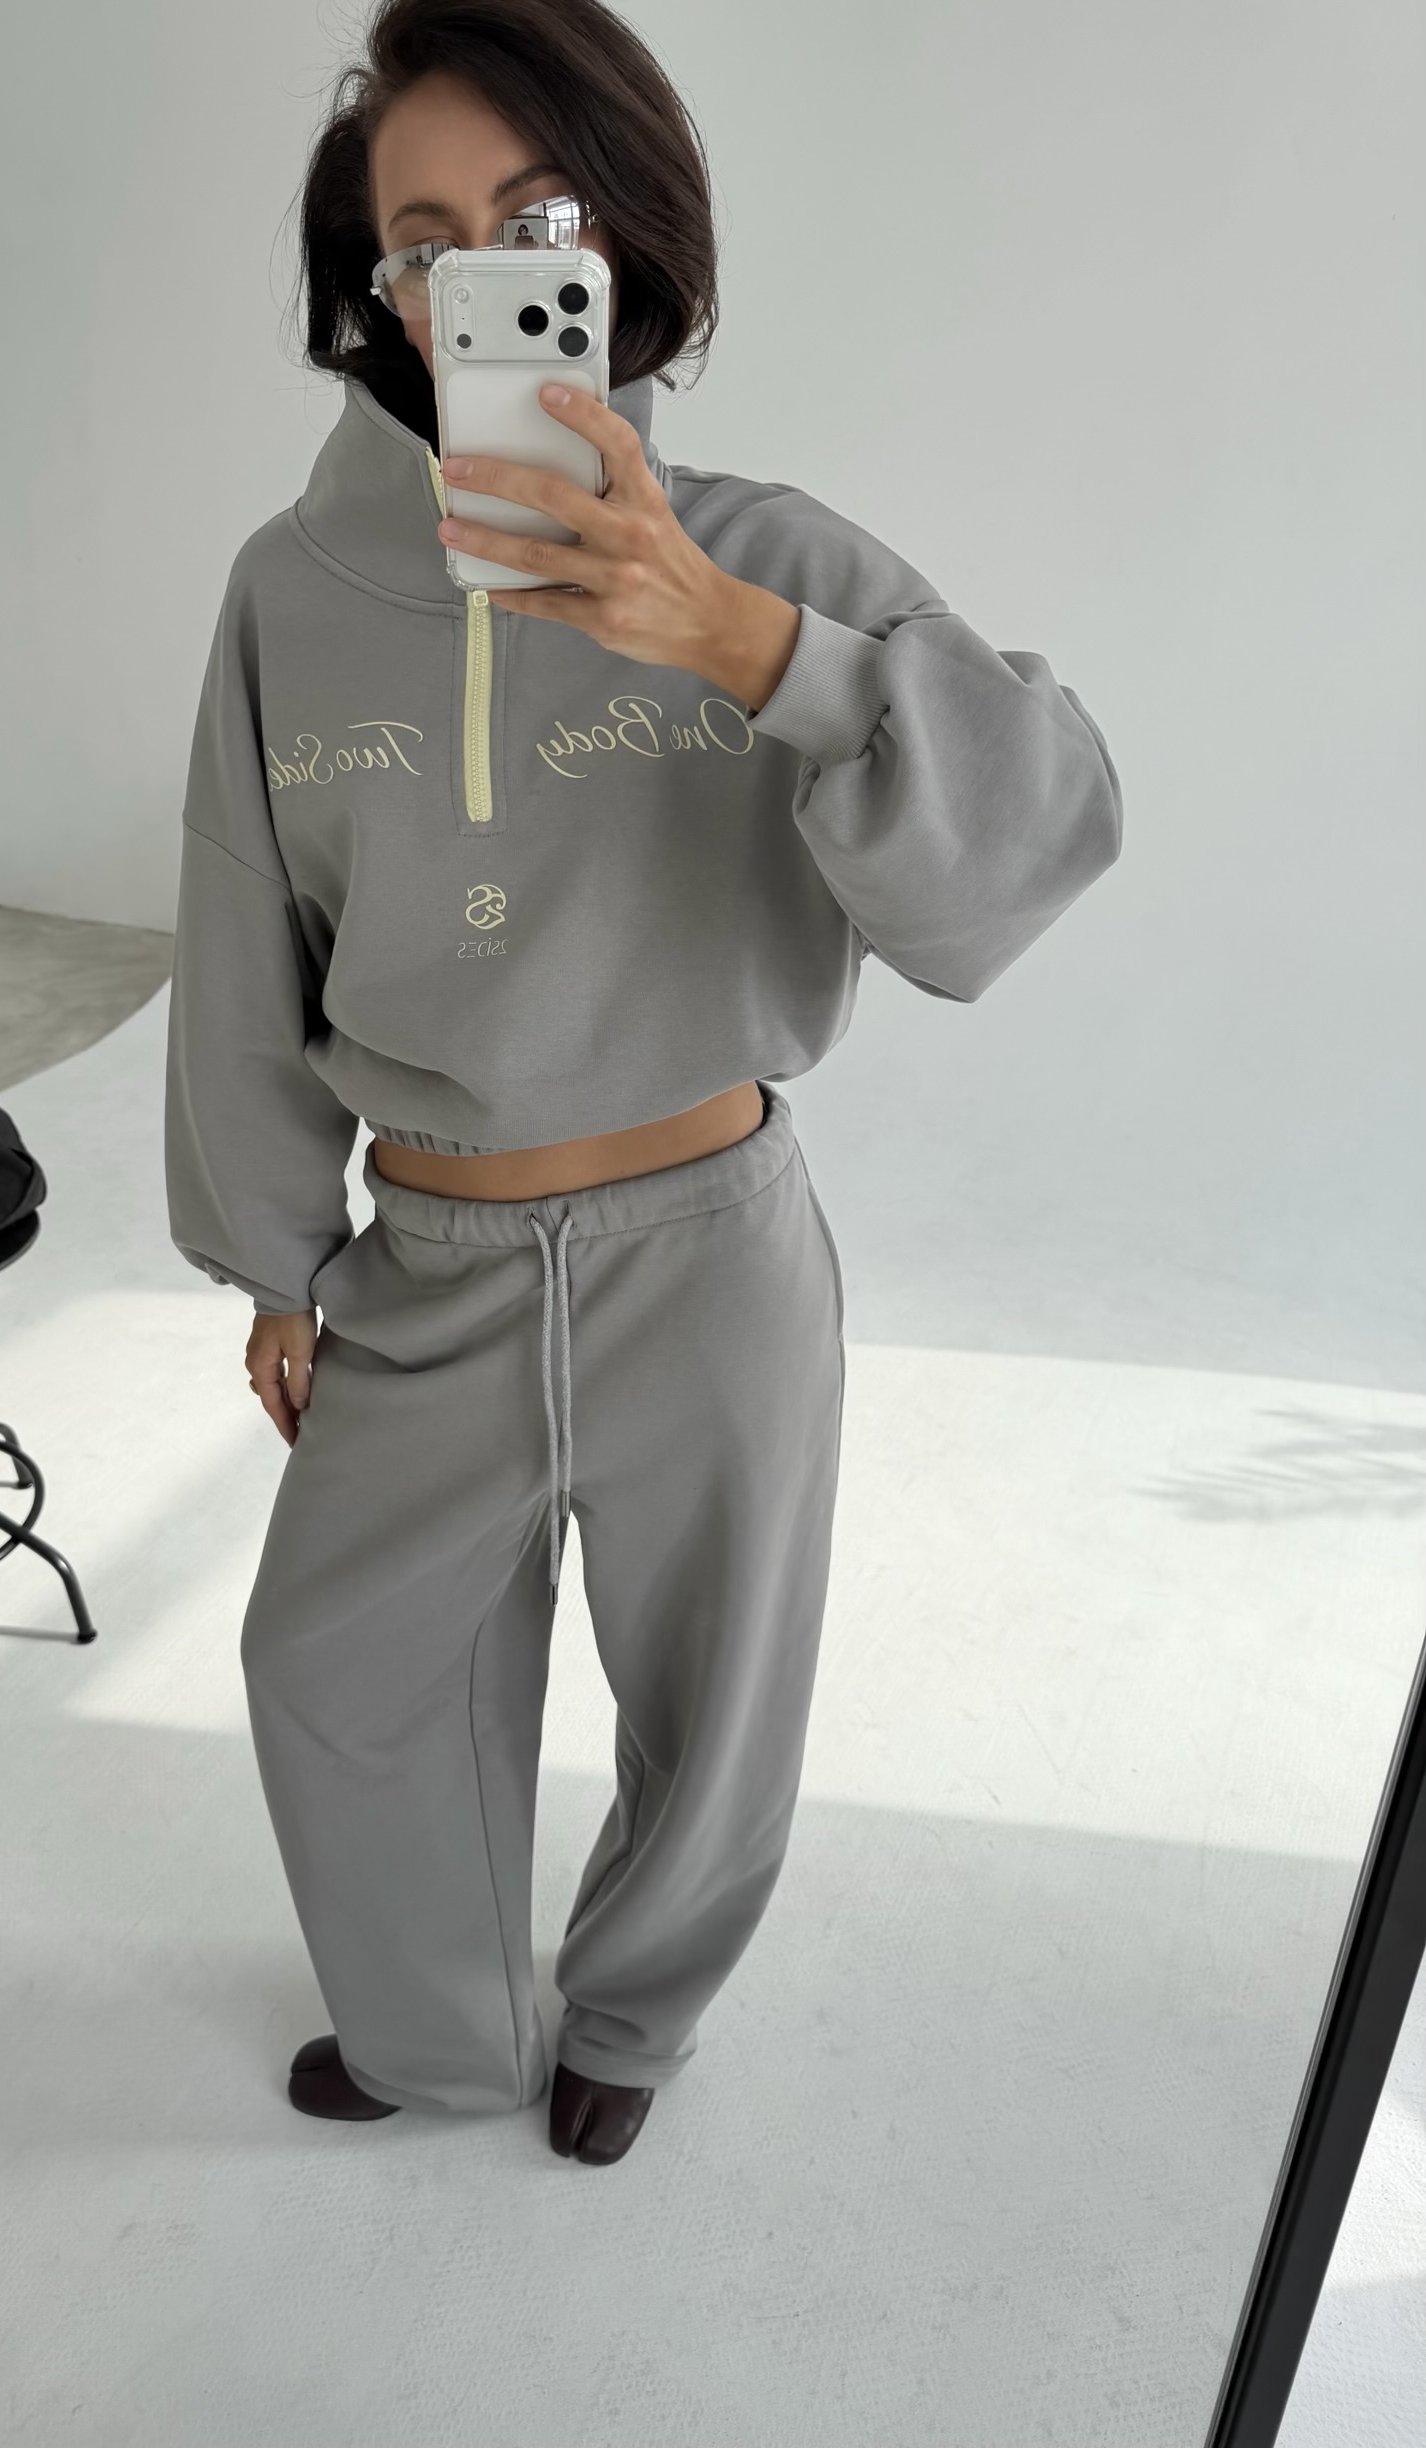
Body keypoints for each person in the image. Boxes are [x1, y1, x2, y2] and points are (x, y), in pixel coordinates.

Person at [165, 0, 1122, 2168]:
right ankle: (431, 2033)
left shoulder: (775, 558)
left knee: (716, 1690)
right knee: (336, 1669)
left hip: (716, 1248)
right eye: (425, 238)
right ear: (377, 288)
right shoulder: (291, 593)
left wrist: (746, 646)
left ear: (625, 239)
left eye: (535, 219)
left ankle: (633, 2017)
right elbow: (240, 928)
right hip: (427, 1259)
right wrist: (276, 1261)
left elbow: (1034, 834)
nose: (475, 276)